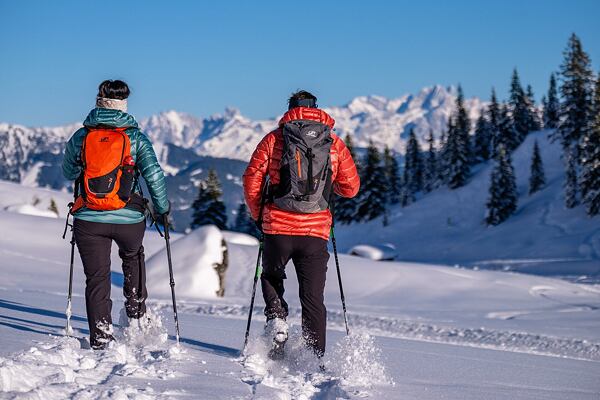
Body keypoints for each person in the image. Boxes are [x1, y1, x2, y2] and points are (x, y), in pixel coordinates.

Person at [243, 90, 360, 358]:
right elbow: (351, 188)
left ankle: (277, 319)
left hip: (277, 228)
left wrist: (258, 214)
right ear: (316, 109)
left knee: (272, 277)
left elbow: (252, 178)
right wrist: (328, 190)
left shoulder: (274, 139)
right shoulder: (333, 143)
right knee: (312, 298)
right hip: (315, 231)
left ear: (291, 109)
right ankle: (314, 357)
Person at [62, 80, 169, 350]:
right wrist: (162, 208)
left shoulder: (82, 136)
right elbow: (154, 175)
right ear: (124, 105)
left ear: (99, 101)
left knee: (97, 278)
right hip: (129, 218)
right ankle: (135, 315)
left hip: (89, 218)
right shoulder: (135, 138)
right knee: (133, 258)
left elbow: (67, 172)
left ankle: (100, 337)